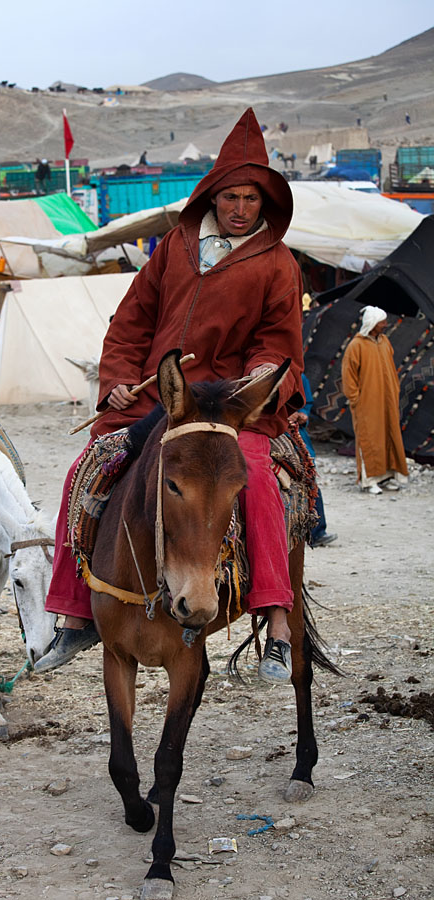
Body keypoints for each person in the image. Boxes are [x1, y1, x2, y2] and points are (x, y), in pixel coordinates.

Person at [35, 107, 305, 684]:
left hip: (231, 405)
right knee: (87, 468)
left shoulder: (278, 264)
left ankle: (276, 620)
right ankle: (76, 614)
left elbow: (277, 342)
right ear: (212, 196)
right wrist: (118, 381)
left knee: (253, 480)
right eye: (230, 197)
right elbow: (132, 322)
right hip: (160, 398)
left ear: (265, 205)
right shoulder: (175, 246)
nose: (239, 209)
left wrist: (250, 385)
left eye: (251, 200)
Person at [341, 306, 408, 495]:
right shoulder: (356, 346)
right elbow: (349, 376)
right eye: (382, 322)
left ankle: (387, 476)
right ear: (372, 324)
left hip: (387, 401)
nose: (386, 325)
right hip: (367, 403)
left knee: (389, 436)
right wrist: (356, 400)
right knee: (369, 438)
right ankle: (369, 480)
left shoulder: (384, 341)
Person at [289, 374, 337, 546]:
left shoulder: (298, 375)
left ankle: (316, 532)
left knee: (310, 480)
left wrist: (302, 414)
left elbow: (306, 402)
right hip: (272, 431)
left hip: (297, 435)